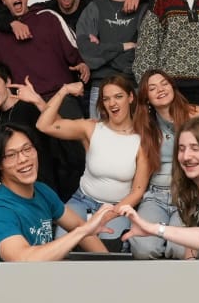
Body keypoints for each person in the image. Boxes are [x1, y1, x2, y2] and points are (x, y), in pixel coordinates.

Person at [27, 75, 150, 248]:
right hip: (82, 200)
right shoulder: (91, 128)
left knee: (110, 250)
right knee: (64, 245)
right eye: (106, 99)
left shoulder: (142, 140)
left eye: (118, 96)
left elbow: (137, 192)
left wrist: (105, 216)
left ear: (130, 98)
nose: (112, 103)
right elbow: (43, 125)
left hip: (117, 207)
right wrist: (64, 90)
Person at [0, 122, 115, 262]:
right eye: (11, 155)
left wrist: (109, 266)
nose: (23, 159)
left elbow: (78, 226)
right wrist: (83, 231)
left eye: (27, 149)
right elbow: (23, 259)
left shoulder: (42, 190)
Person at [118, 116, 199, 255]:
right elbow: (191, 249)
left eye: (195, 148)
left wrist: (156, 229)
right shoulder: (189, 189)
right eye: (181, 149)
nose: (186, 156)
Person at [128, 70, 199, 258]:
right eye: (152, 88)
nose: (160, 89)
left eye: (164, 83)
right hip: (156, 195)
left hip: (188, 194)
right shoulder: (144, 125)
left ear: (172, 86)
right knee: (143, 249)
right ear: (146, 98)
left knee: (179, 247)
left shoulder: (196, 114)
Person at [0, 0, 89, 103]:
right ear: (3, 0)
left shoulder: (49, 17)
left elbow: (74, 48)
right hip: (24, 103)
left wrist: (82, 63)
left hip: (62, 97)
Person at [77, 0, 145, 118]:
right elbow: (87, 52)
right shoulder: (94, 8)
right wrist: (124, 46)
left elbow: (144, 51)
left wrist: (104, 51)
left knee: (136, 142)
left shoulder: (143, 9)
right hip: (100, 90)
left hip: (133, 89)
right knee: (100, 143)